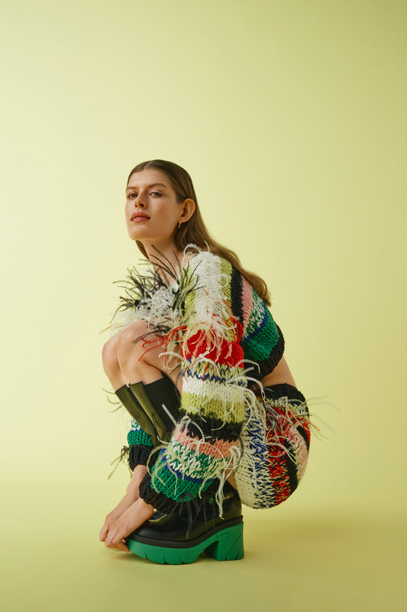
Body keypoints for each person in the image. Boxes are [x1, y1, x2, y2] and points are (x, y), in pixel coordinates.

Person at [99, 159, 315, 564]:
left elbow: (217, 406)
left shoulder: (206, 273)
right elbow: (150, 419)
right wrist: (135, 488)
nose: (139, 202)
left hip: (272, 450)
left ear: (185, 210)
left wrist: (149, 501)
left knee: (136, 341)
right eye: (131, 194)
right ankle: (199, 497)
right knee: (116, 349)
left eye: (155, 193)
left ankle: (199, 501)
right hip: (228, 436)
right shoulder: (161, 289)